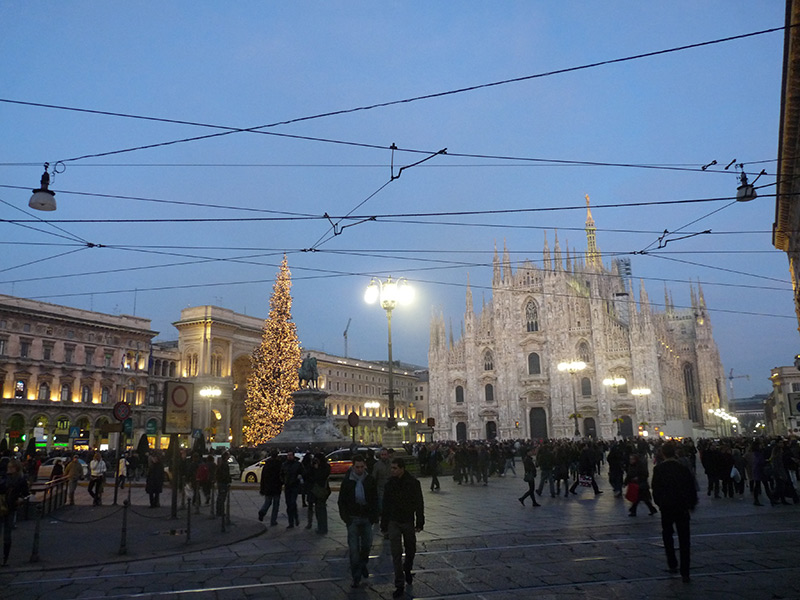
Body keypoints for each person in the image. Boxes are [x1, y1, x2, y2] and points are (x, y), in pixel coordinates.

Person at [652, 441, 698, 583]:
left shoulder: (659, 469)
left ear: (663, 454)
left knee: (667, 535)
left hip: (667, 507)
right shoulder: (682, 468)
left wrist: (660, 503)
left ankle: (672, 563)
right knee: (685, 538)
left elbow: (655, 489)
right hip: (682, 507)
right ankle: (685, 572)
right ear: (675, 452)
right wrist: (691, 504)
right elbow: (691, 487)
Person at [382, 456, 425, 599]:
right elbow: (385, 505)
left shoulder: (413, 483)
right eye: (391, 468)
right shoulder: (389, 484)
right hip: (393, 521)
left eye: (395, 468)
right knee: (396, 553)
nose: (392, 471)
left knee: (411, 548)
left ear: (402, 469)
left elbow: (419, 503)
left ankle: (407, 568)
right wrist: (384, 524)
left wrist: (420, 522)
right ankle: (399, 584)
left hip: (407, 520)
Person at [338, 454, 379, 588]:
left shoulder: (370, 480)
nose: (360, 470)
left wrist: (374, 516)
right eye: (357, 467)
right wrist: (346, 518)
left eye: (362, 467)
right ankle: (356, 576)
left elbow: (375, 499)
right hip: (353, 518)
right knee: (354, 550)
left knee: (367, 546)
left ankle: (363, 564)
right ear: (353, 466)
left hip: (367, 518)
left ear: (365, 466)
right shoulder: (347, 481)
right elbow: (341, 501)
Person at [0, 459, 30, 566]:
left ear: (16, 468)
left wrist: (21, 499)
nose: (9, 469)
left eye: (11, 467)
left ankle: (5, 558)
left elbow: (26, 494)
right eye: (8, 467)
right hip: (3, 506)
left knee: (7, 534)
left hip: (11, 507)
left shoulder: (20, 480)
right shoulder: (4, 477)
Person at [308, 452, 331, 534]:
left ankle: (323, 528)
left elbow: (318, 477)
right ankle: (321, 527)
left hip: (321, 491)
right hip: (319, 491)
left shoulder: (324, 467)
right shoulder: (325, 466)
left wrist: (316, 469)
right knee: (319, 510)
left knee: (321, 510)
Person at [258, 449, 282, 525]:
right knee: (276, 505)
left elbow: (263, 477)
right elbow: (281, 476)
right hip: (277, 487)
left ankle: (262, 511)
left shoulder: (267, 464)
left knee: (267, 502)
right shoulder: (279, 464)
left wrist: (262, 488)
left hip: (268, 487)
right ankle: (273, 521)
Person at [280, 451, 303, 528]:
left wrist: (299, 478)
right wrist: (283, 481)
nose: (289, 457)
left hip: (295, 486)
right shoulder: (284, 465)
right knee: (288, 504)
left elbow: (303, 472)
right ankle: (291, 522)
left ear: (293, 456)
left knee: (293, 503)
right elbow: (281, 474)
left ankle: (295, 518)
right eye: (288, 455)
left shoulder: (298, 464)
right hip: (287, 486)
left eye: (290, 455)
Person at [216, 451, 232, 517]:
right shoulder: (225, 464)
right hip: (223, 482)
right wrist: (228, 481)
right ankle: (220, 512)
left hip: (220, 482)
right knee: (222, 497)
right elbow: (225, 474)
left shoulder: (221, 464)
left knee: (220, 497)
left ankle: (219, 511)